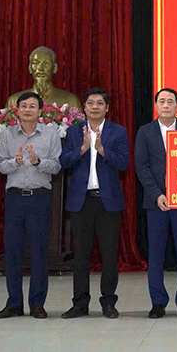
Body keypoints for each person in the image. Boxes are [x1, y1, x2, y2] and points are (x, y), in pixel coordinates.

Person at [59, 88, 129, 319]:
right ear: (84, 107)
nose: (95, 107)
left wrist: (102, 150)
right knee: (81, 255)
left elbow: (124, 163)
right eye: (91, 103)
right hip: (81, 201)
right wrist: (82, 149)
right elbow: (63, 161)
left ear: (107, 108)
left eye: (100, 103)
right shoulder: (73, 132)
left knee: (109, 255)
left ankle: (108, 302)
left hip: (108, 202)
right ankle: (80, 304)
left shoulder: (118, 132)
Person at [0, 92, 62, 319]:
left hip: (39, 198)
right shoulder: (8, 134)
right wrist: (16, 161)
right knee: (12, 251)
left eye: (32, 106)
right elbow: (1, 165)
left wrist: (37, 161)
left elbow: (57, 166)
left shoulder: (51, 134)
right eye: (24, 106)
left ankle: (37, 304)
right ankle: (14, 303)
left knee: (39, 251)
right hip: (14, 198)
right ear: (18, 110)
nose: (28, 110)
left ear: (40, 111)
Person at [135, 88, 177, 319]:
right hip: (156, 203)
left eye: (171, 101)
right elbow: (141, 166)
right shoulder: (145, 132)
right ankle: (158, 302)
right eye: (162, 101)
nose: (166, 105)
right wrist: (156, 194)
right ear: (156, 105)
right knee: (156, 254)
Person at [6, 46, 82, 110]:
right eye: (36, 63)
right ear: (30, 68)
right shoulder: (14, 101)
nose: (40, 68)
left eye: (46, 64)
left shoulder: (71, 101)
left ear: (54, 68)